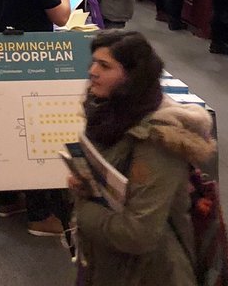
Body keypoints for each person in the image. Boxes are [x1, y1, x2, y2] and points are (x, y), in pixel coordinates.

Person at [69, 30, 216, 285]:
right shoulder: (108, 116)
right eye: (93, 62)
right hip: (112, 266)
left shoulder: (158, 141)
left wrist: (84, 210)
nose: (92, 71)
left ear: (131, 76)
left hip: (151, 273)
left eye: (104, 66)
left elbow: (138, 234)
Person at [0, 0, 73, 237]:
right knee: (36, 133)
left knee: (11, 129)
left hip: (4, 54)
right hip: (34, 58)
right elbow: (61, 17)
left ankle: (9, 200)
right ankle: (40, 213)